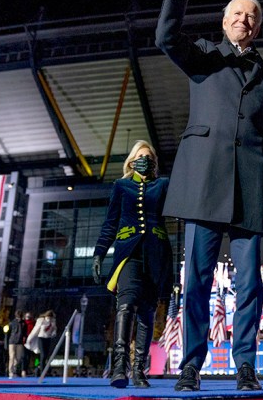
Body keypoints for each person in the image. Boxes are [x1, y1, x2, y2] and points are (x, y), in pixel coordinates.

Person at [155, 0, 263, 392]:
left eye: (251, 16)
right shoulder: (203, 57)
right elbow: (165, 38)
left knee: (250, 285)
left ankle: (245, 366)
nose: (244, 20)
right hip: (204, 184)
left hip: (249, 186)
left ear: (258, 27)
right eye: (237, 14)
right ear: (224, 20)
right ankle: (191, 366)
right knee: (195, 282)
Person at [92, 140, 173, 389]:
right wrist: (99, 254)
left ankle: (139, 369)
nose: (144, 160)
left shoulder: (163, 184)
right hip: (128, 252)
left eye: (148, 157)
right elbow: (110, 223)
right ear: (131, 160)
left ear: (154, 162)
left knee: (147, 313)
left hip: (156, 254)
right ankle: (120, 366)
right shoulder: (122, 186)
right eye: (140, 156)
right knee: (126, 305)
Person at [25, 310, 57, 374]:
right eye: (48, 318)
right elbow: (35, 330)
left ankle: (42, 367)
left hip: (48, 339)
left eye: (51, 318)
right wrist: (29, 339)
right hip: (41, 338)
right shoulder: (41, 321)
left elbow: (54, 329)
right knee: (43, 354)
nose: (49, 319)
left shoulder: (53, 322)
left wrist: (53, 333)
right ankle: (42, 371)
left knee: (46, 355)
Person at [7, 310, 25, 378]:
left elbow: (24, 332)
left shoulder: (23, 323)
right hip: (12, 341)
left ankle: (14, 370)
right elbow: (8, 333)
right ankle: (11, 372)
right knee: (12, 357)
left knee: (18, 358)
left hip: (19, 342)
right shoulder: (12, 323)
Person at [21, 311, 35, 376]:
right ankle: (23, 370)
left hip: (32, 341)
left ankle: (30, 368)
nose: (28, 318)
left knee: (30, 356)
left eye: (29, 316)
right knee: (24, 356)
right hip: (24, 341)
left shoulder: (33, 323)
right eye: (27, 316)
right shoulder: (23, 323)